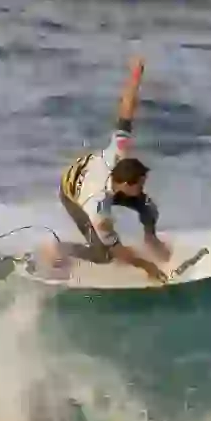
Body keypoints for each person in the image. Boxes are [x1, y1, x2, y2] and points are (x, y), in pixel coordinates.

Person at [39, 55, 170, 283]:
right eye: (140, 185)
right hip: (73, 193)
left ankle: (151, 240)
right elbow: (118, 250)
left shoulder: (118, 151)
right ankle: (60, 250)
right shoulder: (98, 207)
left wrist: (136, 75)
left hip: (93, 172)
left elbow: (126, 110)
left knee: (148, 207)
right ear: (126, 185)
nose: (143, 188)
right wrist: (146, 266)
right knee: (103, 254)